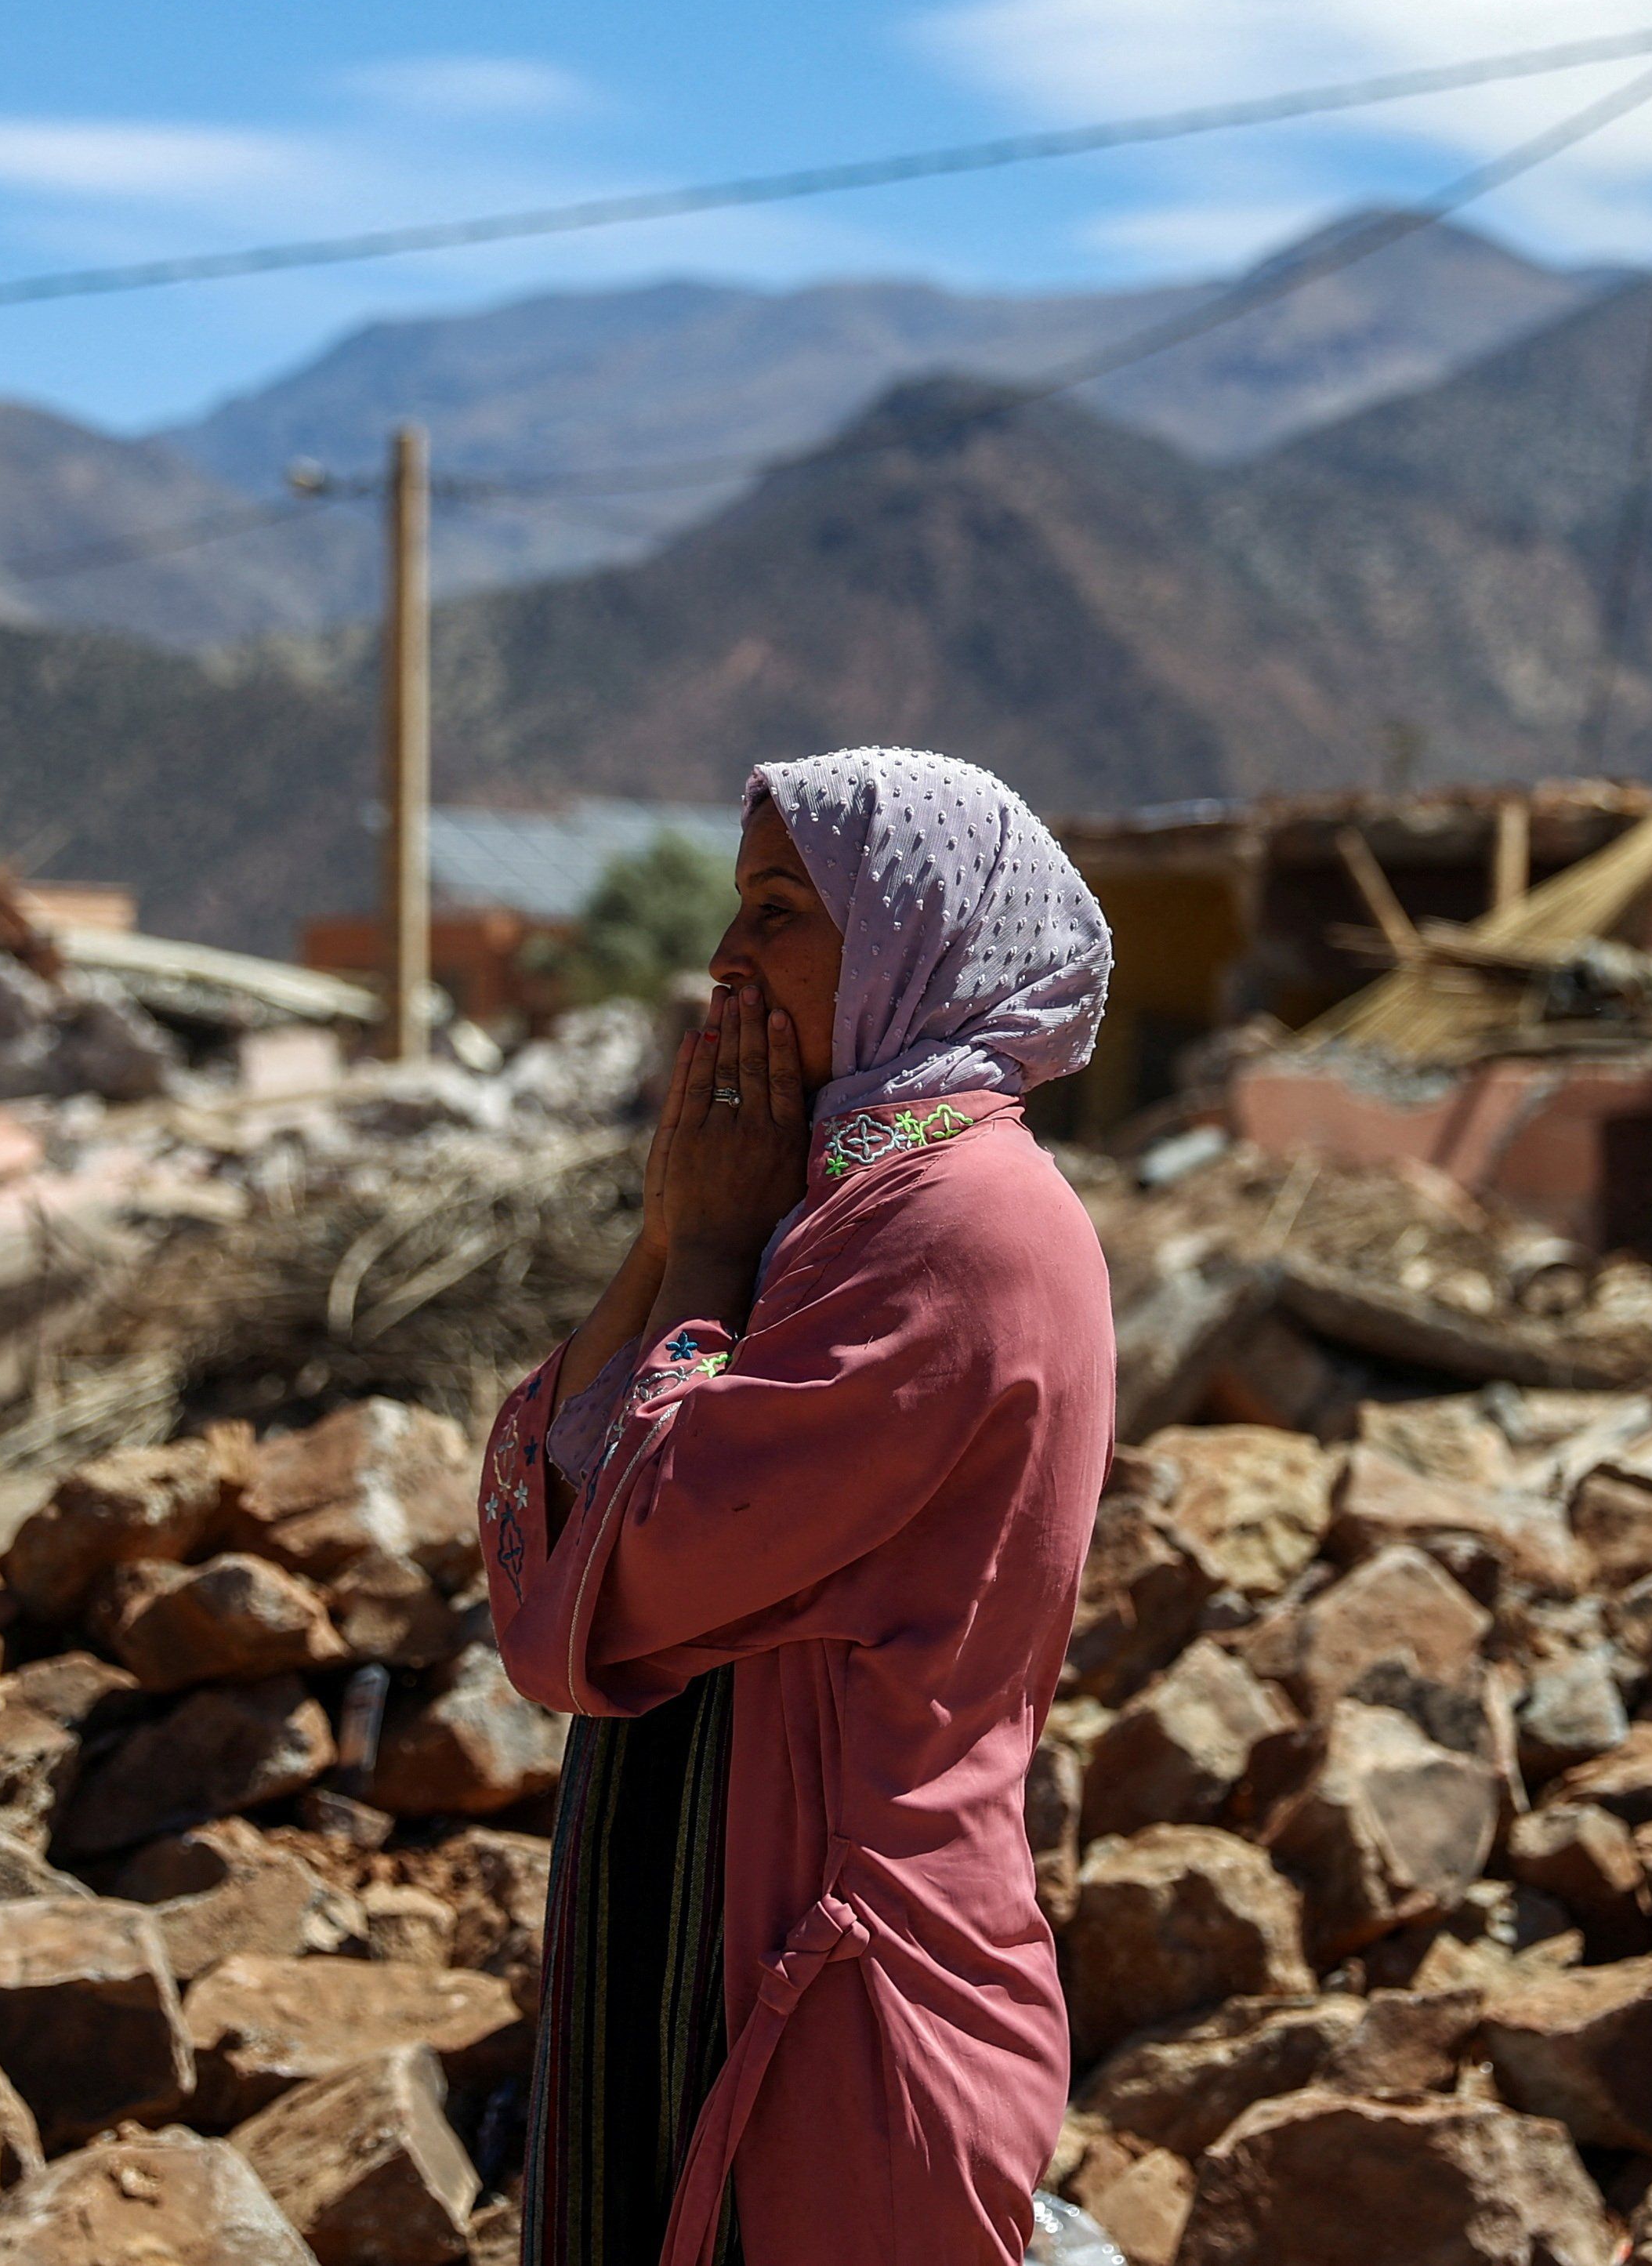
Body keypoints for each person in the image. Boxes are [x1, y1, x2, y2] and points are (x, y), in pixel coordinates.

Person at [480, 746, 1118, 2266]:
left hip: (832, 2010)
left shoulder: (953, 1223)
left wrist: (696, 1260)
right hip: (714, 1959)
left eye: (776, 910)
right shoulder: (823, 1211)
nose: (722, 960)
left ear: (909, 935)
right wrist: (672, 1234)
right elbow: (544, 1543)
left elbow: (623, 1575)